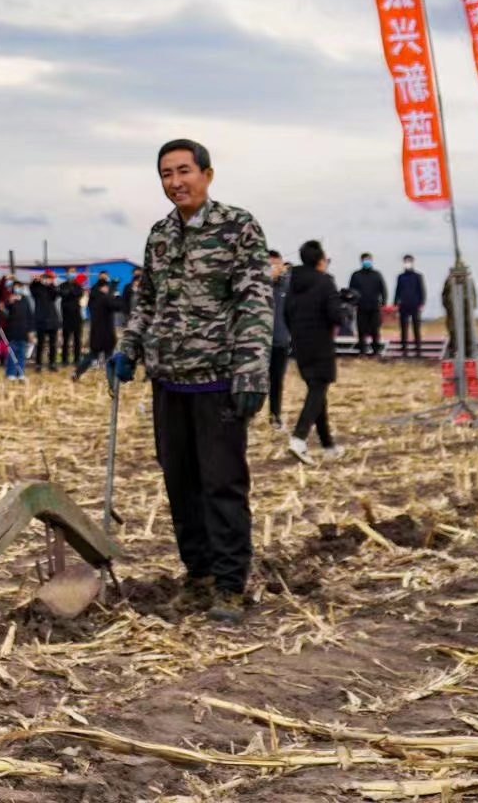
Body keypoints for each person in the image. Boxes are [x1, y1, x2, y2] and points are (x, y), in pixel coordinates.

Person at [111, 139, 271, 626]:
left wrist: (251, 369)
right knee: (180, 483)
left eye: (184, 171)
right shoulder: (159, 235)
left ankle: (229, 585)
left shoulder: (237, 227)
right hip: (169, 381)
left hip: (218, 380)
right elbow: (147, 302)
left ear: (207, 173)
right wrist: (128, 346)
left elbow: (255, 302)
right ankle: (198, 574)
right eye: (166, 174)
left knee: (221, 484)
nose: (175, 182)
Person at [284, 241, 346, 465]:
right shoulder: (325, 282)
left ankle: (328, 445)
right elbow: (336, 316)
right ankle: (299, 438)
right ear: (320, 260)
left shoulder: (294, 283)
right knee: (317, 391)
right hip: (321, 345)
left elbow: (286, 313)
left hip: (301, 345)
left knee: (317, 393)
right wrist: (345, 306)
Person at [72, 276, 118, 381]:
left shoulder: (93, 299)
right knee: (109, 357)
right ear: (103, 288)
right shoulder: (105, 299)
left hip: (96, 332)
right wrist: (117, 296)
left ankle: (77, 372)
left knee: (91, 355)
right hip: (106, 333)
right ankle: (112, 380)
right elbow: (117, 306)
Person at [346, 254, 387, 357]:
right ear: (361, 261)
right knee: (361, 329)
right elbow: (350, 291)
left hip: (374, 306)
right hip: (361, 306)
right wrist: (352, 303)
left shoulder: (377, 275)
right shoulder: (356, 275)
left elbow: (383, 289)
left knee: (375, 329)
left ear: (371, 261)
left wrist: (383, 303)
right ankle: (362, 350)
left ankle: (376, 350)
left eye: (368, 260)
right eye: (364, 260)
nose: (366, 261)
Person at [268, 251, 291, 431]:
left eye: (277, 265)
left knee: (277, 381)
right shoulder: (258, 286)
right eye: (270, 266)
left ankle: (275, 415)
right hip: (258, 343)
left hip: (281, 341)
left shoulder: (288, 286)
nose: (275, 269)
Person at [0, 278, 34, 381]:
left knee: (22, 353)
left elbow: (30, 315)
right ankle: (11, 373)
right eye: (15, 287)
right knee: (12, 353)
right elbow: (5, 314)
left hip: (23, 330)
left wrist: (31, 331)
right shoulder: (8, 299)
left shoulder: (25, 299)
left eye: (19, 287)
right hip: (12, 330)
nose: (17, 288)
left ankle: (21, 373)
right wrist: (9, 303)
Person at [443, 265, 478, 360]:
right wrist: (449, 307)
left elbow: (473, 295)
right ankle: (453, 353)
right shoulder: (449, 281)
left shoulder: (469, 281)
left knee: (467, 333)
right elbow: (444, 295)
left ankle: (468, 354)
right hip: (453, 312)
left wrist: (472, 307)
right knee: (453, 332)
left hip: (466, 311)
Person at [393, 254, 426, 358]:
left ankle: (418, 347)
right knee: (403, 327)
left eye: (409, 261)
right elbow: (397, 290)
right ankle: (404, 347)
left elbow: (422, 290)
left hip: (415, 305)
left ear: (412, 262)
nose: (407, 263)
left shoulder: (418, 276)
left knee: (416, 327)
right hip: (403, 305)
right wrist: (395, 302)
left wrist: (421, 302)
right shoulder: (400, 277)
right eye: (405, 261)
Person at [30, 269, 62, 372]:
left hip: (52, 320)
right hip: (41, 320)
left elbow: (56, 294)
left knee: (53, 344)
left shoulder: (52, 289)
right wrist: (36, 281)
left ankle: (52, 363)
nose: (47, 280)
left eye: (50, 278)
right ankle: (38, 364)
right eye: (46, 278)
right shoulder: (37, 288)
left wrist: (51, 284)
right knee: (40, 343)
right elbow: (32, 289)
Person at [58, 271, 85, 366]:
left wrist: (70, 292)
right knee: (66, 340)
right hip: (66, 316)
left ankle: (77, 359)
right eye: (70, 273)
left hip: (77, 316)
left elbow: (79, 293)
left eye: (73, 273)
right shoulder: (62, 285)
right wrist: (71, 292)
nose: (71, 275)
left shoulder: (78, 285)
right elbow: (63, 293)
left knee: (77, 339)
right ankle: (64, 360)